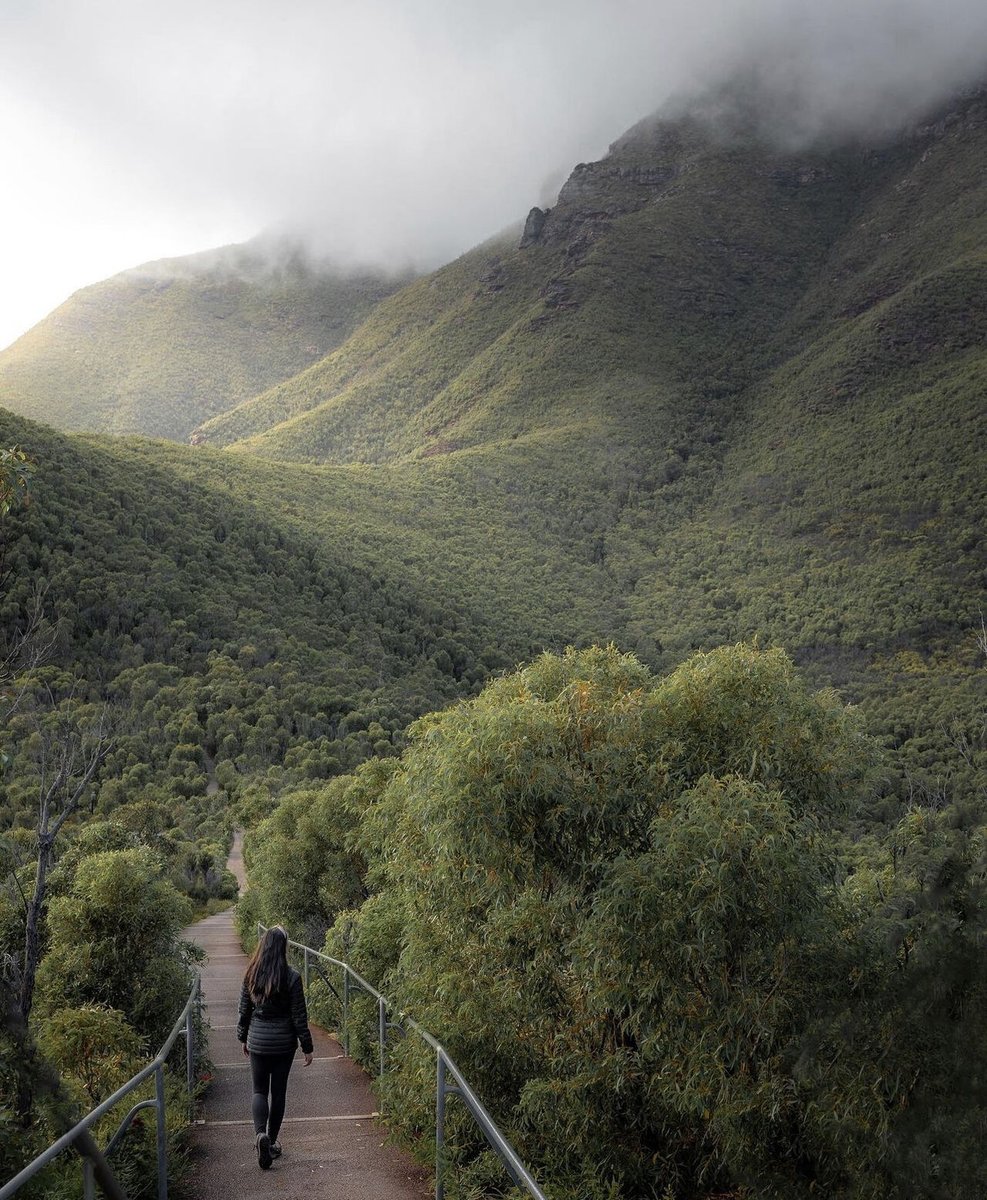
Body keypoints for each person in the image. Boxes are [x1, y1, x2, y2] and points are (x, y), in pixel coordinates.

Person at [236, 924, 314, 1169]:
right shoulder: (291, 977)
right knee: (278, 1092)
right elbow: (299, 1015)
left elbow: (244, 1010)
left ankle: (260, 1134)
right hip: (283, 1044)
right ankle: (271, 1142)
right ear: (283, 948)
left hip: (258, 1040)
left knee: (259, 1090)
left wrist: (242, 1036)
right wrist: (307, 1046)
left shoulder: (251, 973)